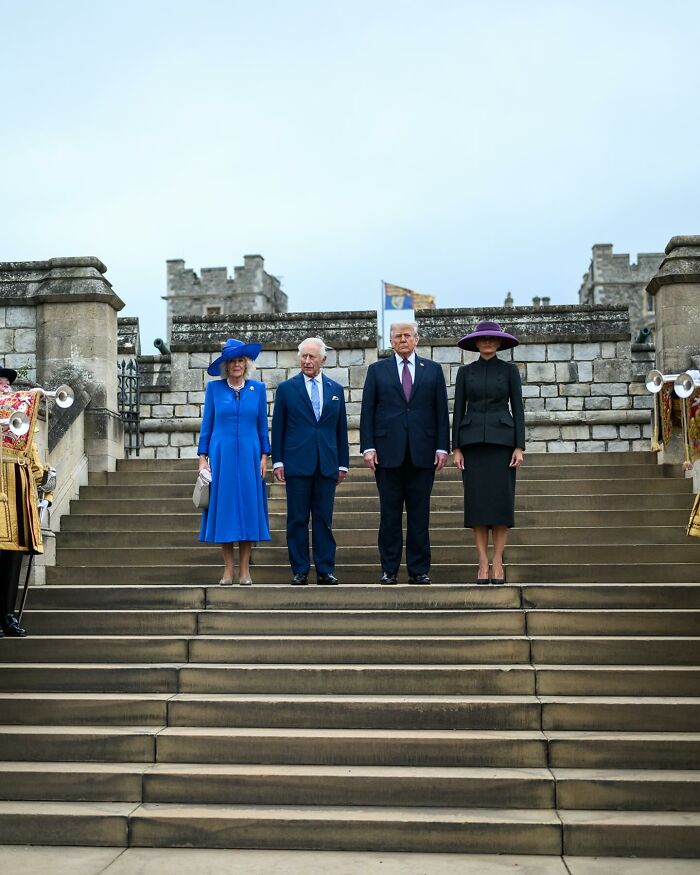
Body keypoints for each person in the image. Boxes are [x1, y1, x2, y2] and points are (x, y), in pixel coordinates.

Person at [360, 322, 449, 584]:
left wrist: (443, 446)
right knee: (389, 515)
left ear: (416, 339)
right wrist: (368, 446)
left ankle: (418, 569)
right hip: (388, 454)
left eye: (407, 335)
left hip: (423, 454)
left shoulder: (432, 370)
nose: (402, 340)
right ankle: (389, 569)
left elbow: (441, 412)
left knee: (419, 516)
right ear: (391, 341)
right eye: (397, 336)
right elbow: (368, 411)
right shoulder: (377, 370)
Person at [452, 320, 525, 585]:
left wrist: (519, 445)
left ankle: (497, 562)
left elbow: (518, 409)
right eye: (482, 339)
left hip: (503, 445)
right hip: (472, 446)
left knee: (501, 506)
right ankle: (483, 563)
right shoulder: (465, 373)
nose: (487, 343)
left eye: (492, 339)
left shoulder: (509, 371)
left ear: (499, 343)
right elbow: (458, 410)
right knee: (478, 507)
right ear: (475, 343)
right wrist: (456, 448)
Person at [271, 337, 349, 585]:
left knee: (324, 519)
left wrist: (343, 463)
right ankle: (300, 569)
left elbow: (341, 429)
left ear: (322, 360)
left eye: (311, 357)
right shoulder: (286, 389)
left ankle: (325, 569)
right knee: (297, 519)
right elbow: (279, 428)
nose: (306, 361)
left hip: (326, 463)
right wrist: (278, 461)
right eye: (303, 356)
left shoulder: (336, 390)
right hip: (297, 463)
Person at [198, 338, 270, 585]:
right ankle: (228, 569)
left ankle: (245, 570)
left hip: (251, 456)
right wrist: (202, 458)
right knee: (225, 509)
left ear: (246, 364)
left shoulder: (258, 389)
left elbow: (262, 426)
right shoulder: (214, 390)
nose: (237, 365)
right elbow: (207, 424)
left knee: (248, 509)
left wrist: (264, 456)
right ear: (226, 365)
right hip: (222, 455)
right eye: (232, 361)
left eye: (241, 360)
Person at [0, 367, 52, 637]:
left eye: (7, 384)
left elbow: (31, 452)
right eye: (0, 383)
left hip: (17, 494)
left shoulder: (20, 417)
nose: (5, 388)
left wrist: (45, 483)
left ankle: (7, 615)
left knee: (12, 557)